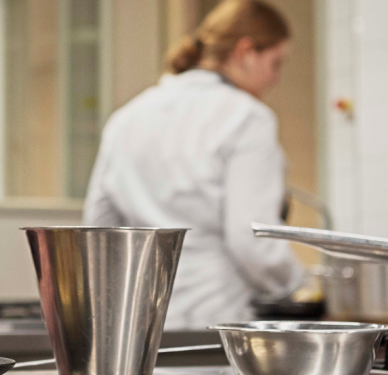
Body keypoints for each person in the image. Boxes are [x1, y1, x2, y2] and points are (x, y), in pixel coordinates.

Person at [83, 0, 304, 330]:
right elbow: (252, 239)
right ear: (246, 51)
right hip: (213, 316)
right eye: (275, 63)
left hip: (137, 322)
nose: (275, 78)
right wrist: (299, 286)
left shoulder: (126, 118)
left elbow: (98, 227)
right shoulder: (248, 118)